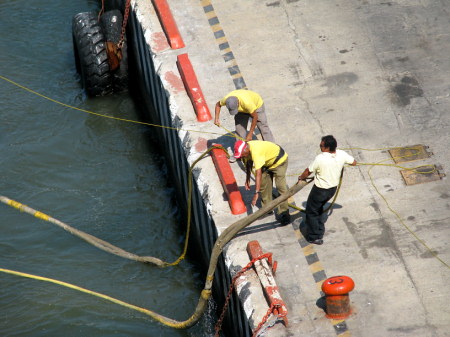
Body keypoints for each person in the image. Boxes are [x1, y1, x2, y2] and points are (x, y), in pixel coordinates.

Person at [297, 135, 357, 245]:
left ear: (327, 147)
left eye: (321, 146)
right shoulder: (341, 154)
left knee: (311, 211)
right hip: (332, 190)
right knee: (318, 208)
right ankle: (319, 228)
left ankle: (315, 236)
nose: (320, 147)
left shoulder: (320, 158)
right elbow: (354, 162)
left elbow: (308, 171)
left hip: (320, 190)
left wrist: (301, 178)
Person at [234, 139, 290, 224]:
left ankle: (284, 213)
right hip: (267, 163)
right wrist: (247, 179)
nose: (241, 157)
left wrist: (256, 193)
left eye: (241, 155)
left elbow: (258, 173)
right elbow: (248, 164)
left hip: (279, 162)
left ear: (246, 149)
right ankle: (267, 209)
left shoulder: (256, 152)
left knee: (281, 187)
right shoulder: (246, 153)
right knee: (263, 184)